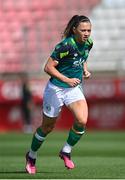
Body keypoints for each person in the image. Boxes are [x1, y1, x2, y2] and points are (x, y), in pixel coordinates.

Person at [25, 14, 93, 174]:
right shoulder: (65, 45)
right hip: (56, 89)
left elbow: (83, 57)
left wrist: (85, 70)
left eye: (89, 30)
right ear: (75, 30)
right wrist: (67, 79)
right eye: (83, 30)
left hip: (73, 89)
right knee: (47, 127)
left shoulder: (89, 43)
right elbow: (48, 67)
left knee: (82, 120)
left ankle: (66, 151)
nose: (87, 33)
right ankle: (31, 156)